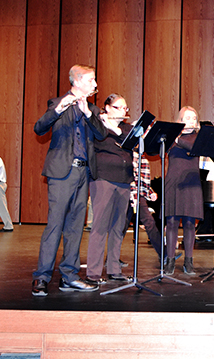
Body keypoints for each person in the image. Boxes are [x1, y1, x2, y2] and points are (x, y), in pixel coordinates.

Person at [32, 64, 107, 296]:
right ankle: (42, 277)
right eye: (91, 80)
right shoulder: (56, 103)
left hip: (83, 174)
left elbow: (102, 134)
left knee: (75, 227)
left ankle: (69, 276)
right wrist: (58, 110)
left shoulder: (91, 109)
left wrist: (86, 113)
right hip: (62, 174)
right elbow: (39, 128)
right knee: (55, 225)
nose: (95, 84)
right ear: (77, 81)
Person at [85, 93, 134, 285]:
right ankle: (93, 273)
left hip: (124, 180)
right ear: (107, 108)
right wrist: (106, 124)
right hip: (104, 179)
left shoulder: (127, 129)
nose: (123, 111)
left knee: (117, 227)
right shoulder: (98, 125)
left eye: (125, 108)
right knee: (100, 226)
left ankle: (114, 269)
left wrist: (116, 128)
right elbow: (100, 137)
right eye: (119, 107)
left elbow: (131, 143)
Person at [163, 106, 204, 276]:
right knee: (171, 222)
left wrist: (177, 138)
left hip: (191, 183)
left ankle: (189, 261)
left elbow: (193, 148)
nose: (191, 121)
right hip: (173, 182)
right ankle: (170, 260)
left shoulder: (199, 138)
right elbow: (158, 150)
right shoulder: (170, 137)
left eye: (194, 118)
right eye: (187, 117)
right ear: (179, 121)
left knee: (189, 223)